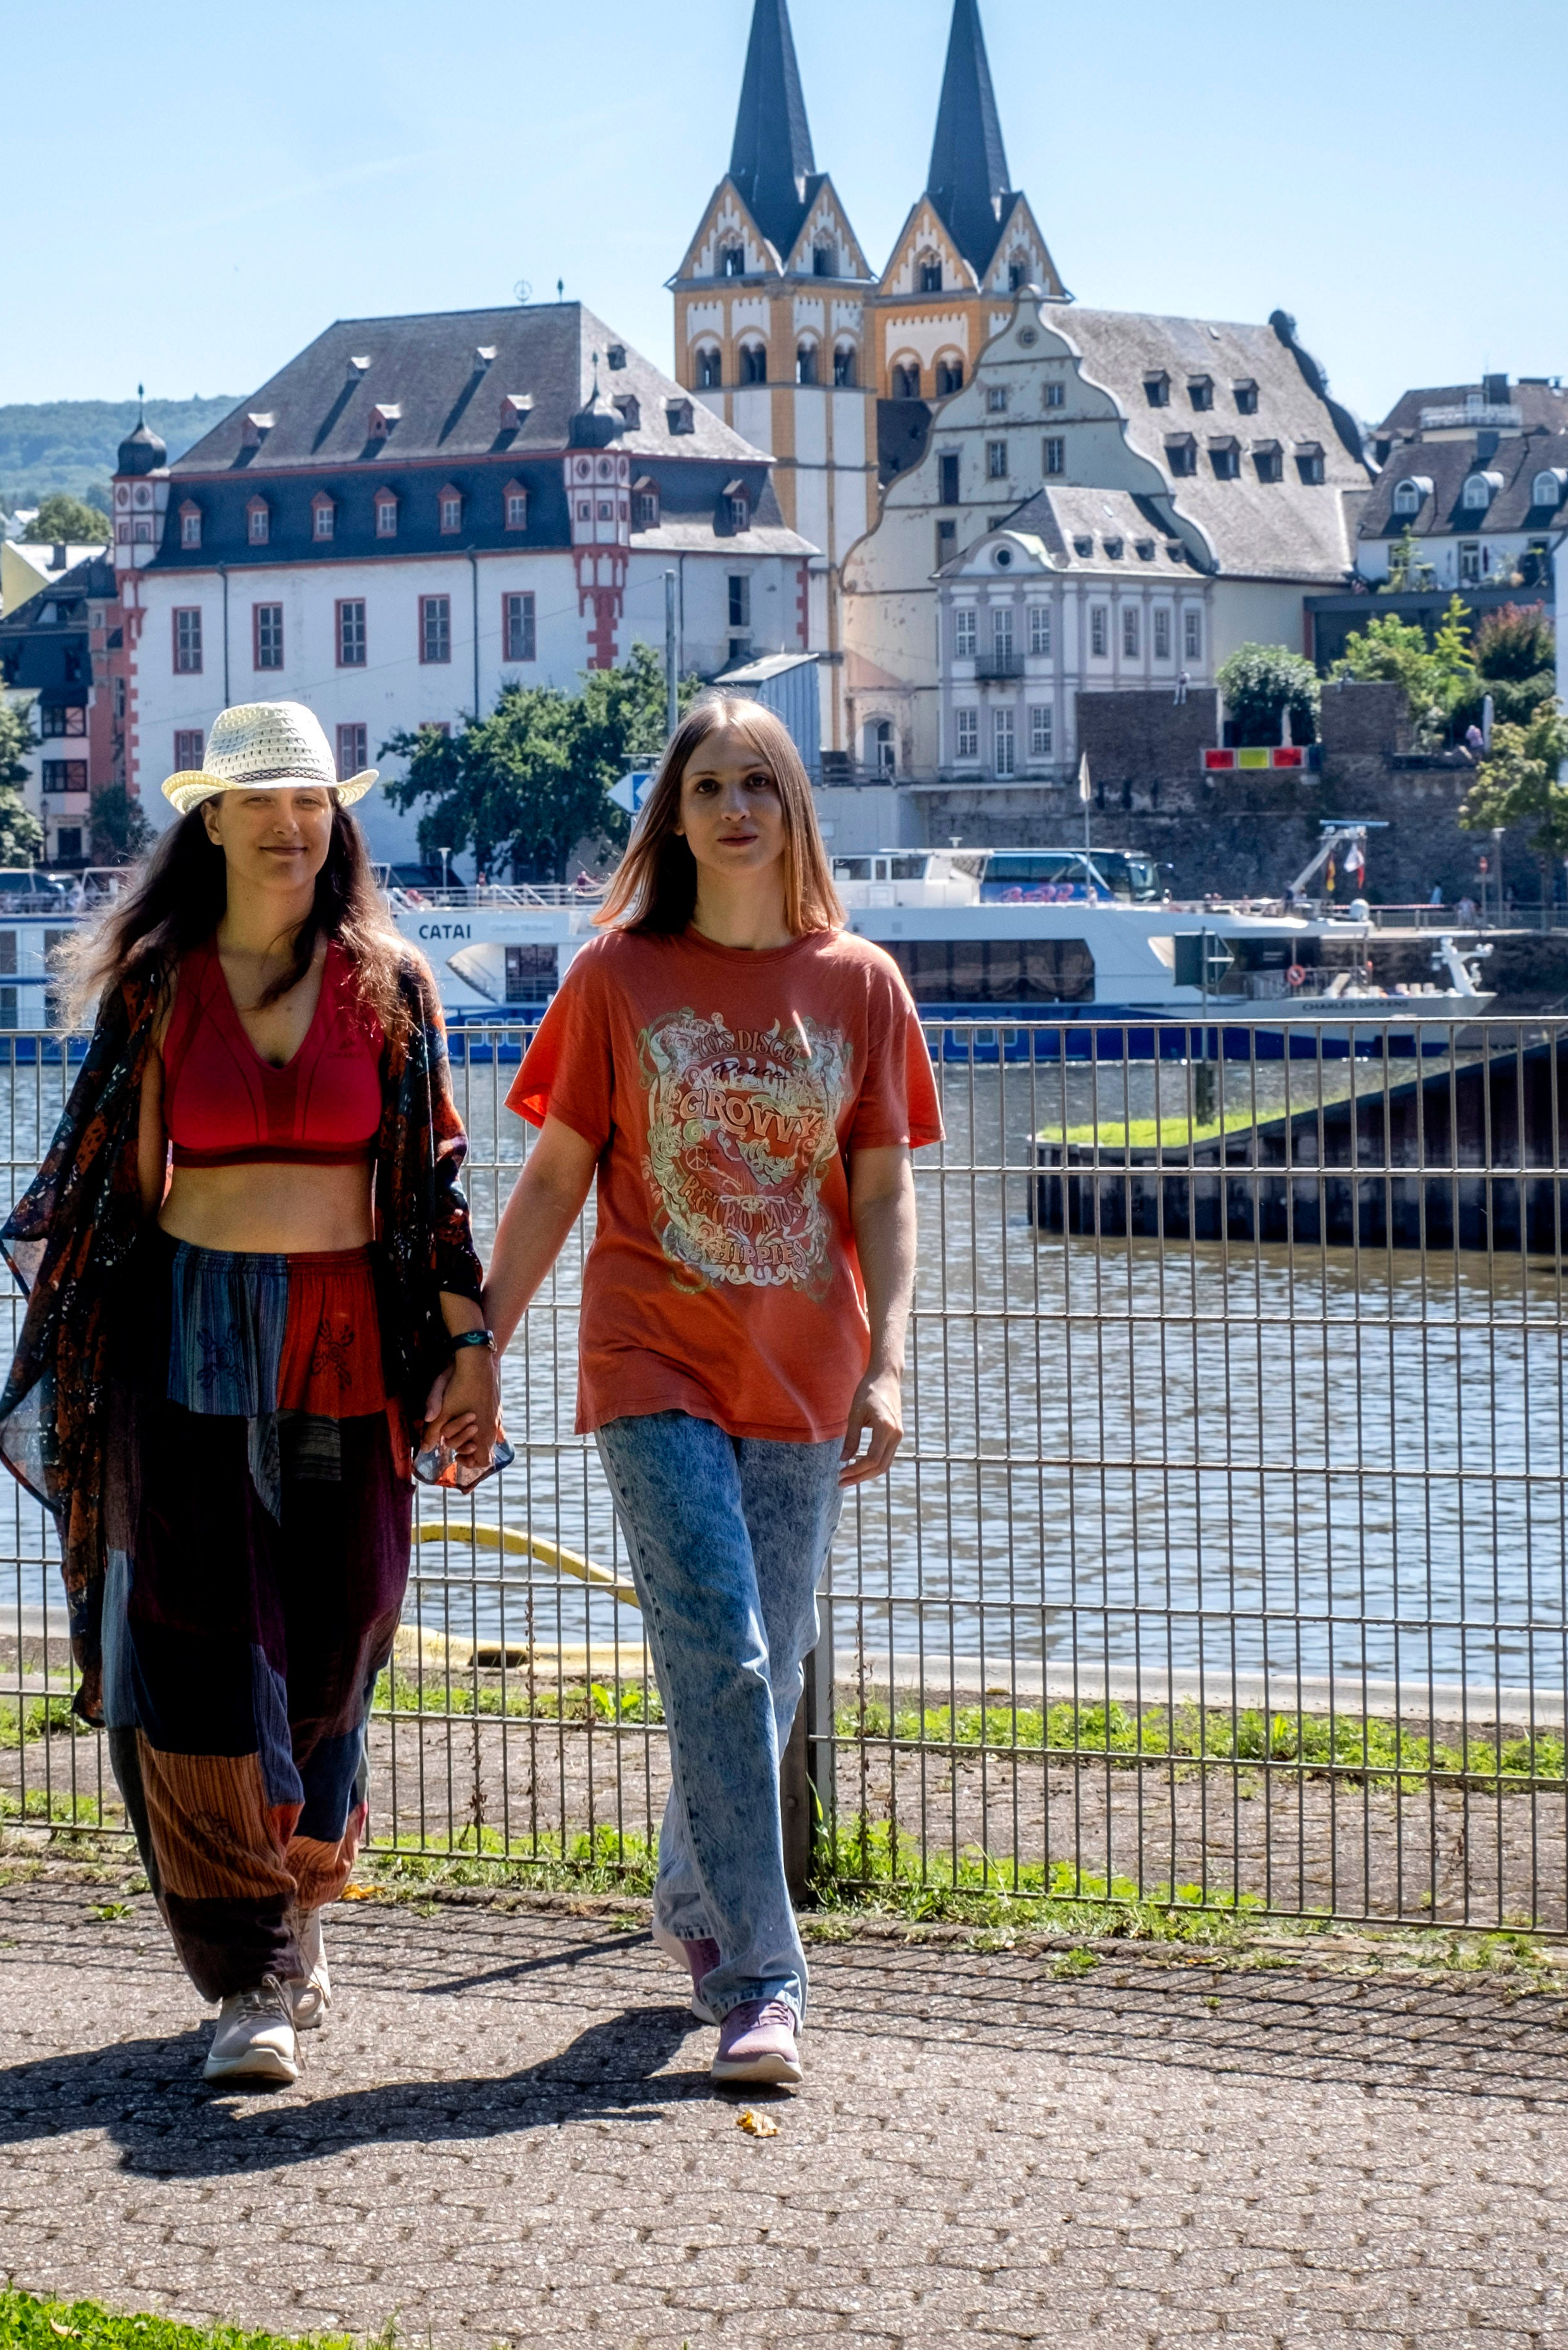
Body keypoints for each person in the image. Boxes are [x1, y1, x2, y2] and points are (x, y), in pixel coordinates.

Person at [0, 700, 500, 2089]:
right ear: (206, 820)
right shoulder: (157, 984)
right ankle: (249, 1980)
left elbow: (431, 1191)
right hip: (194, 1345)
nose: (288, 825)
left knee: (340, 1640)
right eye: (258, 802)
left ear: (335, 820)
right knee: (207, 1650)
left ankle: (302, 1901)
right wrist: (97, 1370)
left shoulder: (391, 985)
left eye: (310, 802)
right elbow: (110, 1187)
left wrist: (470, 1347)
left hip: (346, 1346)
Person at [482, 695, 937, 2092]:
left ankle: (693, 1893)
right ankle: (762, 1978)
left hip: (802, 1374)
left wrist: (891, 1357)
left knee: (760, 1665)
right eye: (707, 787)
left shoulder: (858, 983)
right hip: (650, 1361)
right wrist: (478, 1345)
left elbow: (880, 1187)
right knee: (727, 1656)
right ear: (670, 822)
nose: (736, 808)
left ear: (794, 810)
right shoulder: (616, 977)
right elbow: (558, 1173)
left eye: (761, 783)